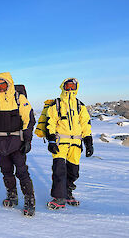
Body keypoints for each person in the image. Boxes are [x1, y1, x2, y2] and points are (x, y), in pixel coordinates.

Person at [0, 72, 36, 217]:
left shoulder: (19, 98)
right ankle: (12, 195)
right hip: (0, 142)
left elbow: (28, 120)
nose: (1, 88)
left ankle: (29, 199)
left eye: (3, 85)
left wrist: (27, 140)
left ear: (9, 84)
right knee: (6, 171)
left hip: (16, 141)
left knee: (21, 171)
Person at [46, 77, 94, 209]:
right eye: (68, 86)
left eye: (73, 86)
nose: (70, 89)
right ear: (63, 87)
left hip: (76, 143)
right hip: (60, 142)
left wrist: (88, 142)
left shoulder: (80, 106)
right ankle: (59, 197)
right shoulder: (56, 104)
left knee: (73, 171)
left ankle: (67, 192)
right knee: (59, 170)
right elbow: (50, 122)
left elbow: (85, 125)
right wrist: (51, 140)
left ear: (76, 88)